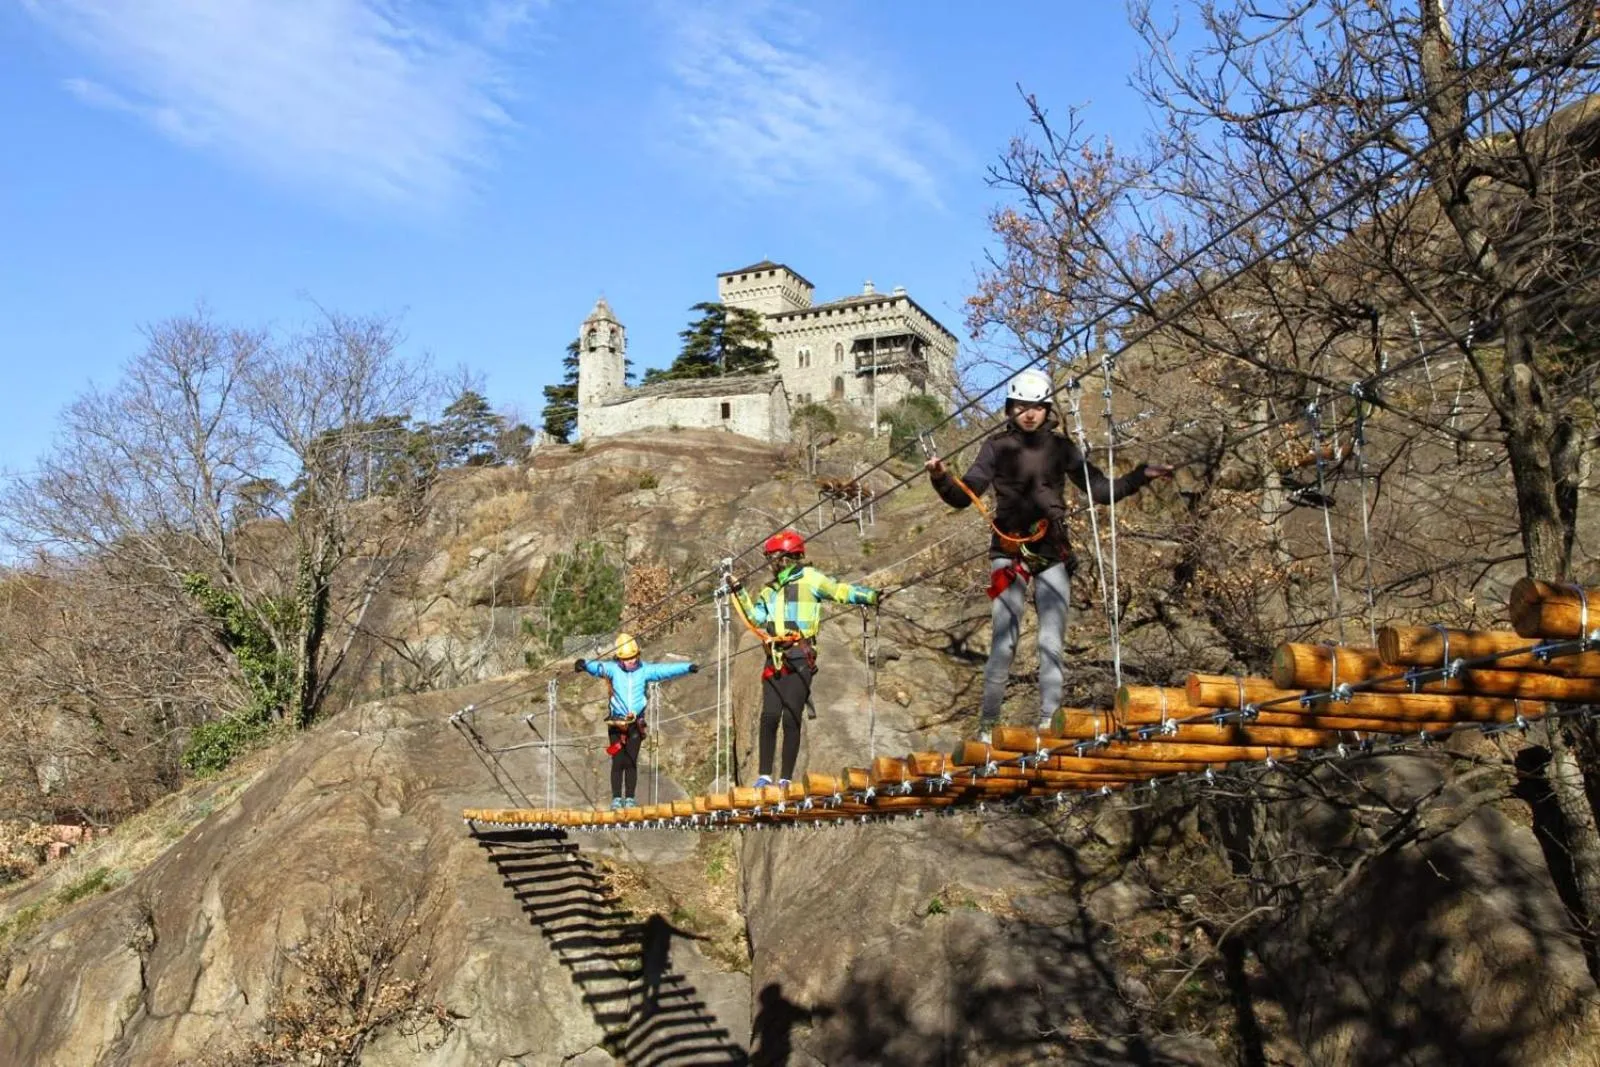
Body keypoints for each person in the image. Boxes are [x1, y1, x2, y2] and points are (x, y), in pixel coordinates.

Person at [925, 367, 1172, 739]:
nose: (1029, 414)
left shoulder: (1061, 448)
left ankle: (1048, 721)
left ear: (1047, 410)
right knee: (1004, 642)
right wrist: (941, 478)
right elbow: (966, 494)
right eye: (1021, 406)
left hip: (1052, 548)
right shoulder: (996, 447)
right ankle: (988, 724)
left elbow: (1100, 491)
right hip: (1009, 550)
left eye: (1037, 407)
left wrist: (1139, 476)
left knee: (1051, 642)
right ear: (1010, 408)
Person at [728, 531, 879, 788]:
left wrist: (868, 596)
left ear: (783, 557)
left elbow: (838, 591)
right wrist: (739, 591)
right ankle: (764, 776)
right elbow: (755, 618)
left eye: (772, 558)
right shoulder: (770, 590)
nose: (769, 563)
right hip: (775, 656)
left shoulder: (810, 578)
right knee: (769, 716)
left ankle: (785, 778)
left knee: (791, 715)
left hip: (799, 654)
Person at [574, 632, 698, 809]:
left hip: (635, 725)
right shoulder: (613, 669)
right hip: (617, 724)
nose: (631, 661)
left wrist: (687, 667)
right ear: (619, 659)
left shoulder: (645, 670)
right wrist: (584, 664)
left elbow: (665, 670)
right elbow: (597, 667)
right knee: (618, 761)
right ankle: (617, 798)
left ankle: (630, 798)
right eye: (627, 658)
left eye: (633, 657)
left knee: (631, 761)